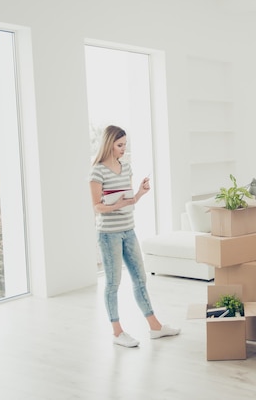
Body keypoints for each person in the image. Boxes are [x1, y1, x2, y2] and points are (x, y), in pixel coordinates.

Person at [90, 125, 180, 347]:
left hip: (129, 230)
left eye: (125, 145)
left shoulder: (126, 167)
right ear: (109, 144)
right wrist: (116, 204)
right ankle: (117, 332)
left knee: (140, 279)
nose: (123, 149)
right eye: (120, 145)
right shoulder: (97, 171)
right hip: (108, 234)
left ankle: (155, 327)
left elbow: (128, 201)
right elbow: (97, 207)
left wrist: (139, 192)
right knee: (112, 284)